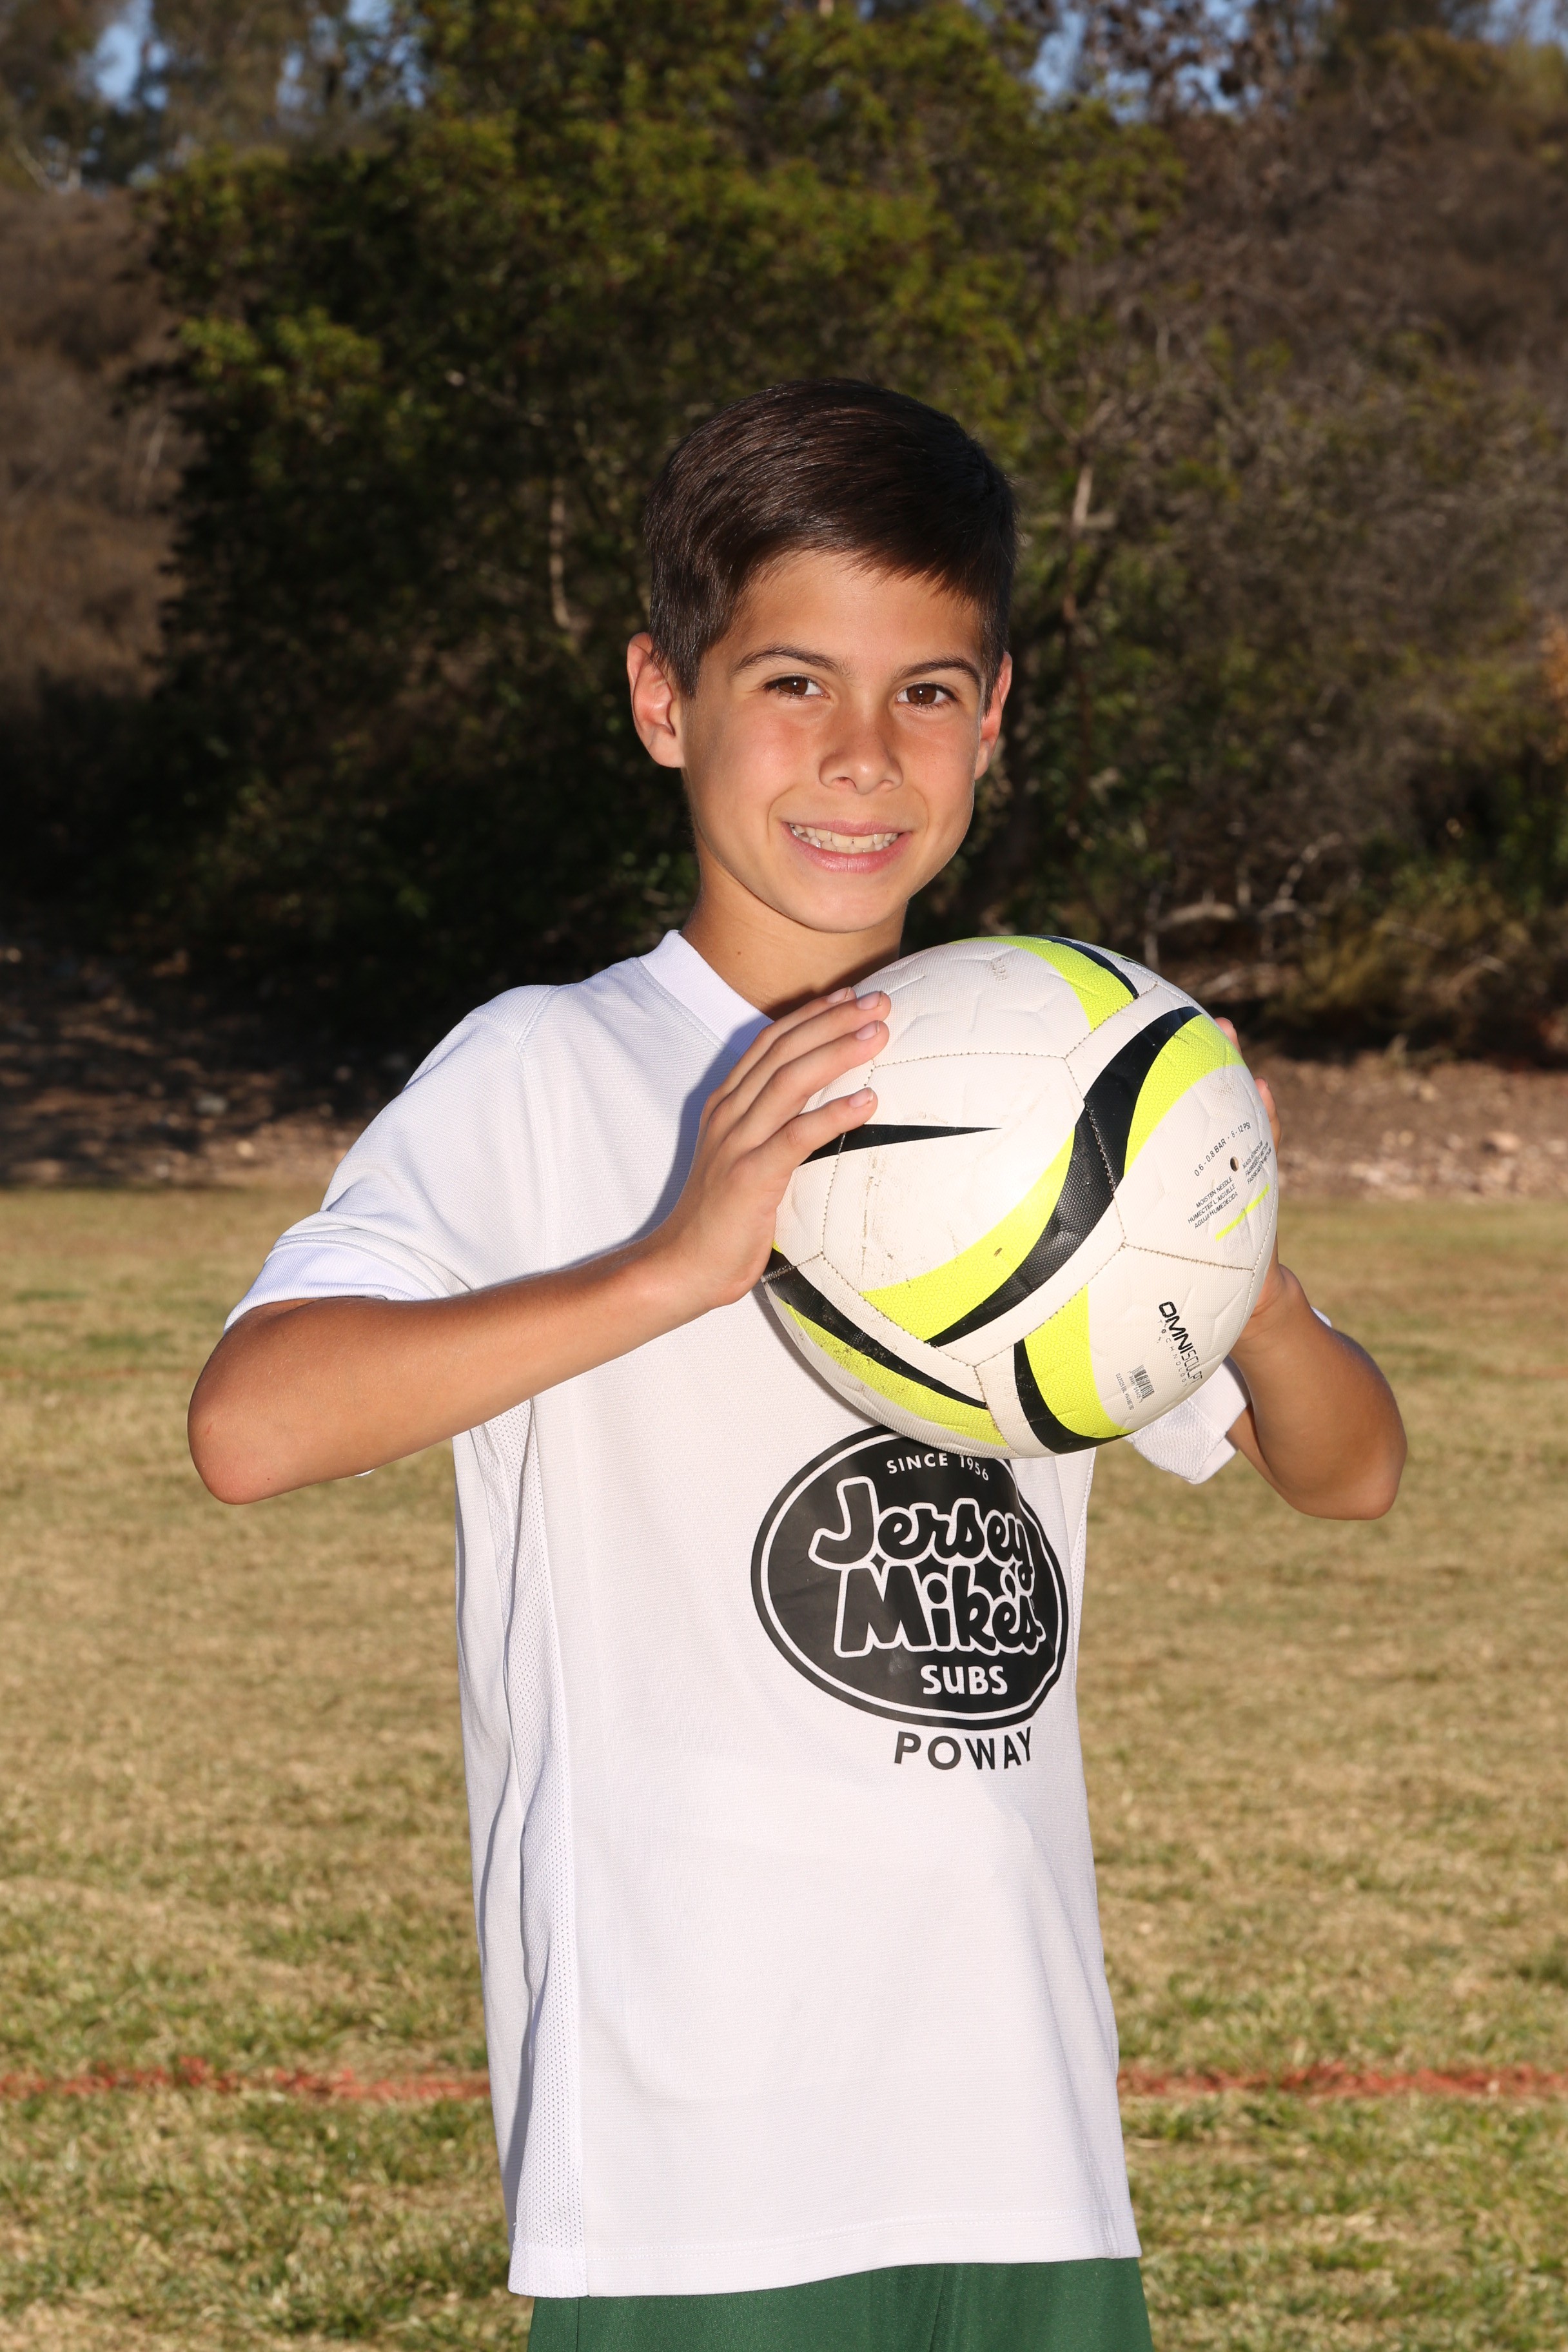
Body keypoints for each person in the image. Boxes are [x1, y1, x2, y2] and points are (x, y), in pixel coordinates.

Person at [188, 380, 1406, 2352]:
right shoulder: (551, 1071)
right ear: (662, 700)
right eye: (791, 684)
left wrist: (1236, 1264)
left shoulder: (1044, 1067)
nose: (861, 755)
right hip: (701, 2159)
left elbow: (1349, 1471)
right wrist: (674, 1265)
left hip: (1022, 2122)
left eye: (925, 692)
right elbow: (251, 1427)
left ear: (994, 718)